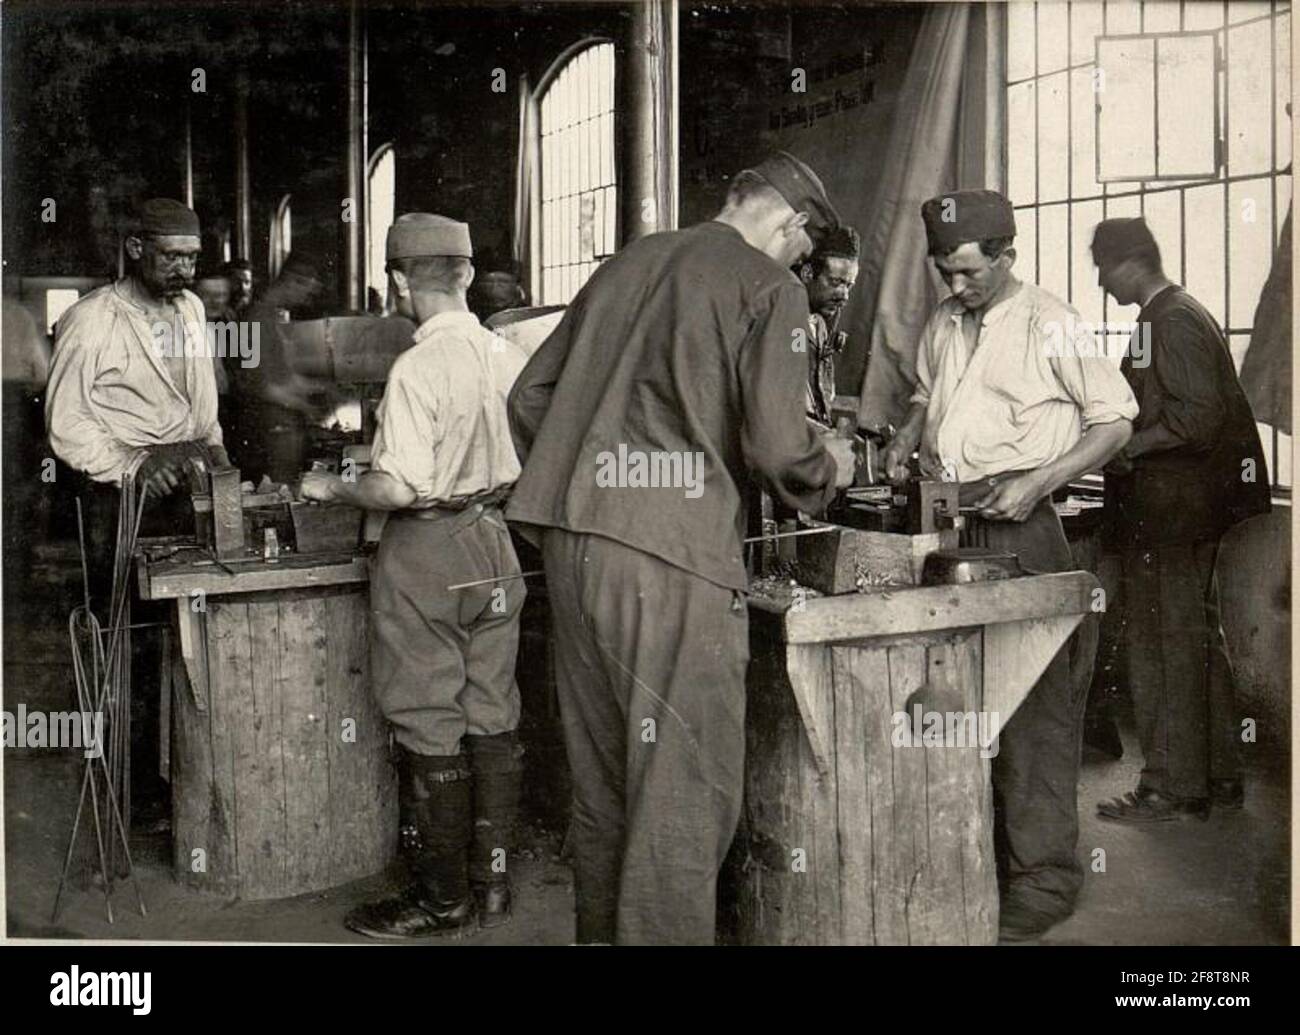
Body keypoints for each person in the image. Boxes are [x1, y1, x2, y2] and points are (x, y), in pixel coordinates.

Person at [506, 151, 855, 945]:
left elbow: (529, 395)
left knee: (603, 787)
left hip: (573, 546)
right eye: (805, 247)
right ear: (791, 223)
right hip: (671, 562)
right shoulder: (772, 288)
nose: (804, 262)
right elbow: (775, 447)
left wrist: (590, 475)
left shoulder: (629, 261)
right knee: (682, 793)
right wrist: (826, 462)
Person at [880, 189, 1137, 942]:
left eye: (968, 273)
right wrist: (906, 433)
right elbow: (930, 394)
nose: (955, 288)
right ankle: (984, 855)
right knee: (955, 705)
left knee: (1035, 713)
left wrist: (1039, 480)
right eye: (943, 272)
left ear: (1006, 257)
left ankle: (1046, 876)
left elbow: (1115, 419)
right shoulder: (943, 321)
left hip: (1025, 533)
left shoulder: (1050, 322)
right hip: (947, 526)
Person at [301, 214, 528, 937]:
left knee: (429, 718)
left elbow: (397, 488)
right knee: (491, 709)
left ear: (399, 281)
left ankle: (440, 899)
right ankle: (490, 881)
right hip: (495, 540)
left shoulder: (416, 368)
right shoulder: (506, 354)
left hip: (428, 549)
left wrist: (330, 488)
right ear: (465, 274)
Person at [1090, 217, 1270, 823]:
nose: (1099, 279)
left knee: (1161, 645)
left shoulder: (1171, 319)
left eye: (1102, 266)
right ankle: (1216, 777)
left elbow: (1198, 419)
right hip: (1185, 513)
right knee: (1193, 643)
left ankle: (1170, 787)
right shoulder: (1177, 314)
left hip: (1174, 516)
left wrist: (1128, 448)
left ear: (1128, 263)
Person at [46, 197, 228, 593]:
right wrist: (133, 463)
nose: (185, 271)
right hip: (122, 498)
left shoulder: (192, 308)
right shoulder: (92, 318)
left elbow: (199, 394)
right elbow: (66, 421)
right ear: (135, 248)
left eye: (192, 259)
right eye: (172, 257)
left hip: (188, 485)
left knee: (188, 616)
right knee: (128, 619)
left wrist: (215, 449)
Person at [796, 224, 859, 427]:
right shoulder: (782, 321)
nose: (844, 296)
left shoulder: (820, 326)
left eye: (848, 285)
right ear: (807, 274)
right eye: (835, 282)